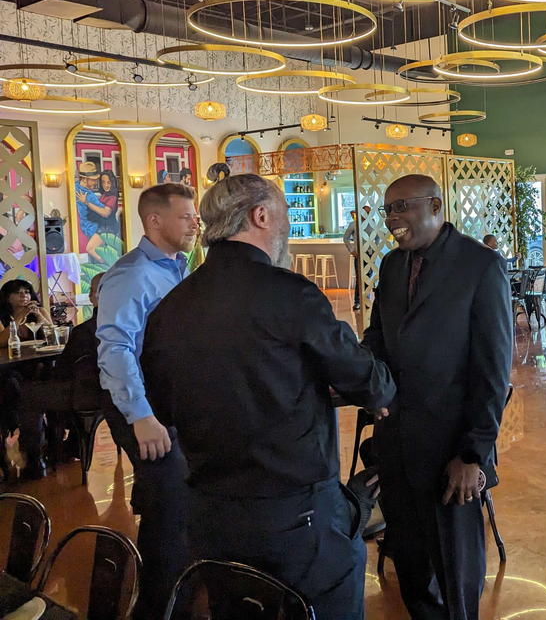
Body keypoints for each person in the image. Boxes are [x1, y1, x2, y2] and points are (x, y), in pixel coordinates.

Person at [141, 173, 396, 620]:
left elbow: (163, 406)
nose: (288, 228)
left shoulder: (170, 307)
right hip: (294, 513)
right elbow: (364, 378)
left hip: (209, 511)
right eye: (284, 216)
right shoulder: (290, 294)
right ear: (260, 215)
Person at [362, 174, 512, 620]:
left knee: (456, 568)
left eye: (402, 207)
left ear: (435, 204)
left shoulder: (479, 265)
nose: (393, 219)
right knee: (410, 561)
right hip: (395, 442)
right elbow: (377, 338)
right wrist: (361, 380)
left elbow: (492, 371)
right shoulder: (391, 266)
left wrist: (474, 454)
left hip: (451, 451)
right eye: (387, 209)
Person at [96, 182, 200, 620]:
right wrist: (141, 415)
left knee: (181, 505)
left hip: (174, 405)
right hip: (146, 409)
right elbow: (115, 349)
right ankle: (158, 607)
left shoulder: (178, 268)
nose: (196, 223)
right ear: (154, 221)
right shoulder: (133, 273)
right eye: (186, 216)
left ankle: (186, 597)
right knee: (170, 515)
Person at [17, 273, 105, 480]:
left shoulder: (84, 331)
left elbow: (63, 372)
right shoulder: (131, 323)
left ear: (94, 296)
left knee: (29, 394)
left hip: (86, 394)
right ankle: (66, 445)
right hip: (116, 392)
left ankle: (34, 460)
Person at [0, 279, 54, 479]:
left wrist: (41, 317)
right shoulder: (3, 318)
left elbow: (53, 336)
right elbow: (2, 341)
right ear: (7, 298)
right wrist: (19, 317)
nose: (24, 296)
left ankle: (49, 443)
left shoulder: (38, 312)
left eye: (27, 292)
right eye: (18, 293)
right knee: (19, 389)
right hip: (11, 370)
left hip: (38, 367)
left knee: (46, 376)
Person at [75, 162, 113, 263]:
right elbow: (105, 212)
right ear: (84, 178)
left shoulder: (75, 188)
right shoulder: (89, 195)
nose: (95, 182)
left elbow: (106, 213)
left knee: (93, 254)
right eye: (93, 180)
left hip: (95, 230)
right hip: (92, 229)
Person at [344, 205, 370, 311]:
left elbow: (377, 237)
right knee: (360, 278)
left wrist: (374, 249)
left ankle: (366, 300)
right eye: (365, 212)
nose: (366, 215)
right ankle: (358, 302)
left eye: (368, 212)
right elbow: (345, 238)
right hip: (359, 255)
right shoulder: (354, 224)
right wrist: (351, 250)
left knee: (368, 278)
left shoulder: (372, 225)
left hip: (369, 255)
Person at [95, 170, 121, 237]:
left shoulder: (113, 197)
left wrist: (88, 203)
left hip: (109, 228)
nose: (105, 185)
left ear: (112, 183)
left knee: (91, 247)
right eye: (103, 182)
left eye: (108, 183)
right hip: (102, 227)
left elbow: (105, 213)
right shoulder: (104, 195)